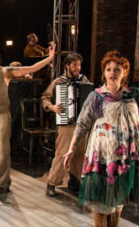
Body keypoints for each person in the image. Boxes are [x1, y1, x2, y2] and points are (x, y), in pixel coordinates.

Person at [64, 50, 139, 227]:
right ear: (104, 73)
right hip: (104, 156)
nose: (113, 73)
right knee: (103, 202)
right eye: (109, 69)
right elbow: (82, 124)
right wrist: (71, 149)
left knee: (118, 200)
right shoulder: (97, 97)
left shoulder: (133, 94)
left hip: (125, 156)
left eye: (117, 69)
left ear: (124, 73)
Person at [0, 43, 55, 193]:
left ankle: (3, 183)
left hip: (1, 116)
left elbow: (31, 68)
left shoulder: (5, 72)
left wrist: (50, 57)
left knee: (2, 151)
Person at [41, 52, 91, 197]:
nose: (78, 68)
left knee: (80, 153)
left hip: (82, 123)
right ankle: (52, 182)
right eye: (75, 65)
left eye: (79, 65)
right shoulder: (59, 82)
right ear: (67, 65)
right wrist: (52, 107)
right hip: (66, 123)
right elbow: (45, 98)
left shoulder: (84, 80)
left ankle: (75, 181)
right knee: (62, 152)